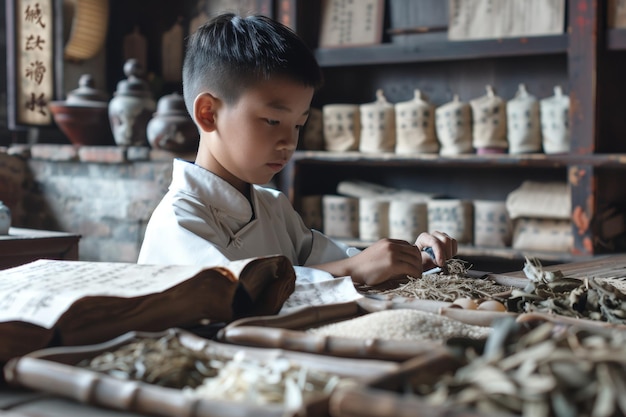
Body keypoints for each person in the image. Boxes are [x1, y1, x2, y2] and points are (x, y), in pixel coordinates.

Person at [138, 12, 457, 286]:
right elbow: (234, 296)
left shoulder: (274, 208)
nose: (289, 142)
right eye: (272, 120)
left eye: (298, 125)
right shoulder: (177, 222)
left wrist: (411, 261)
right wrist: (353, 270)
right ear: (209, 113)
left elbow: (342, 265)